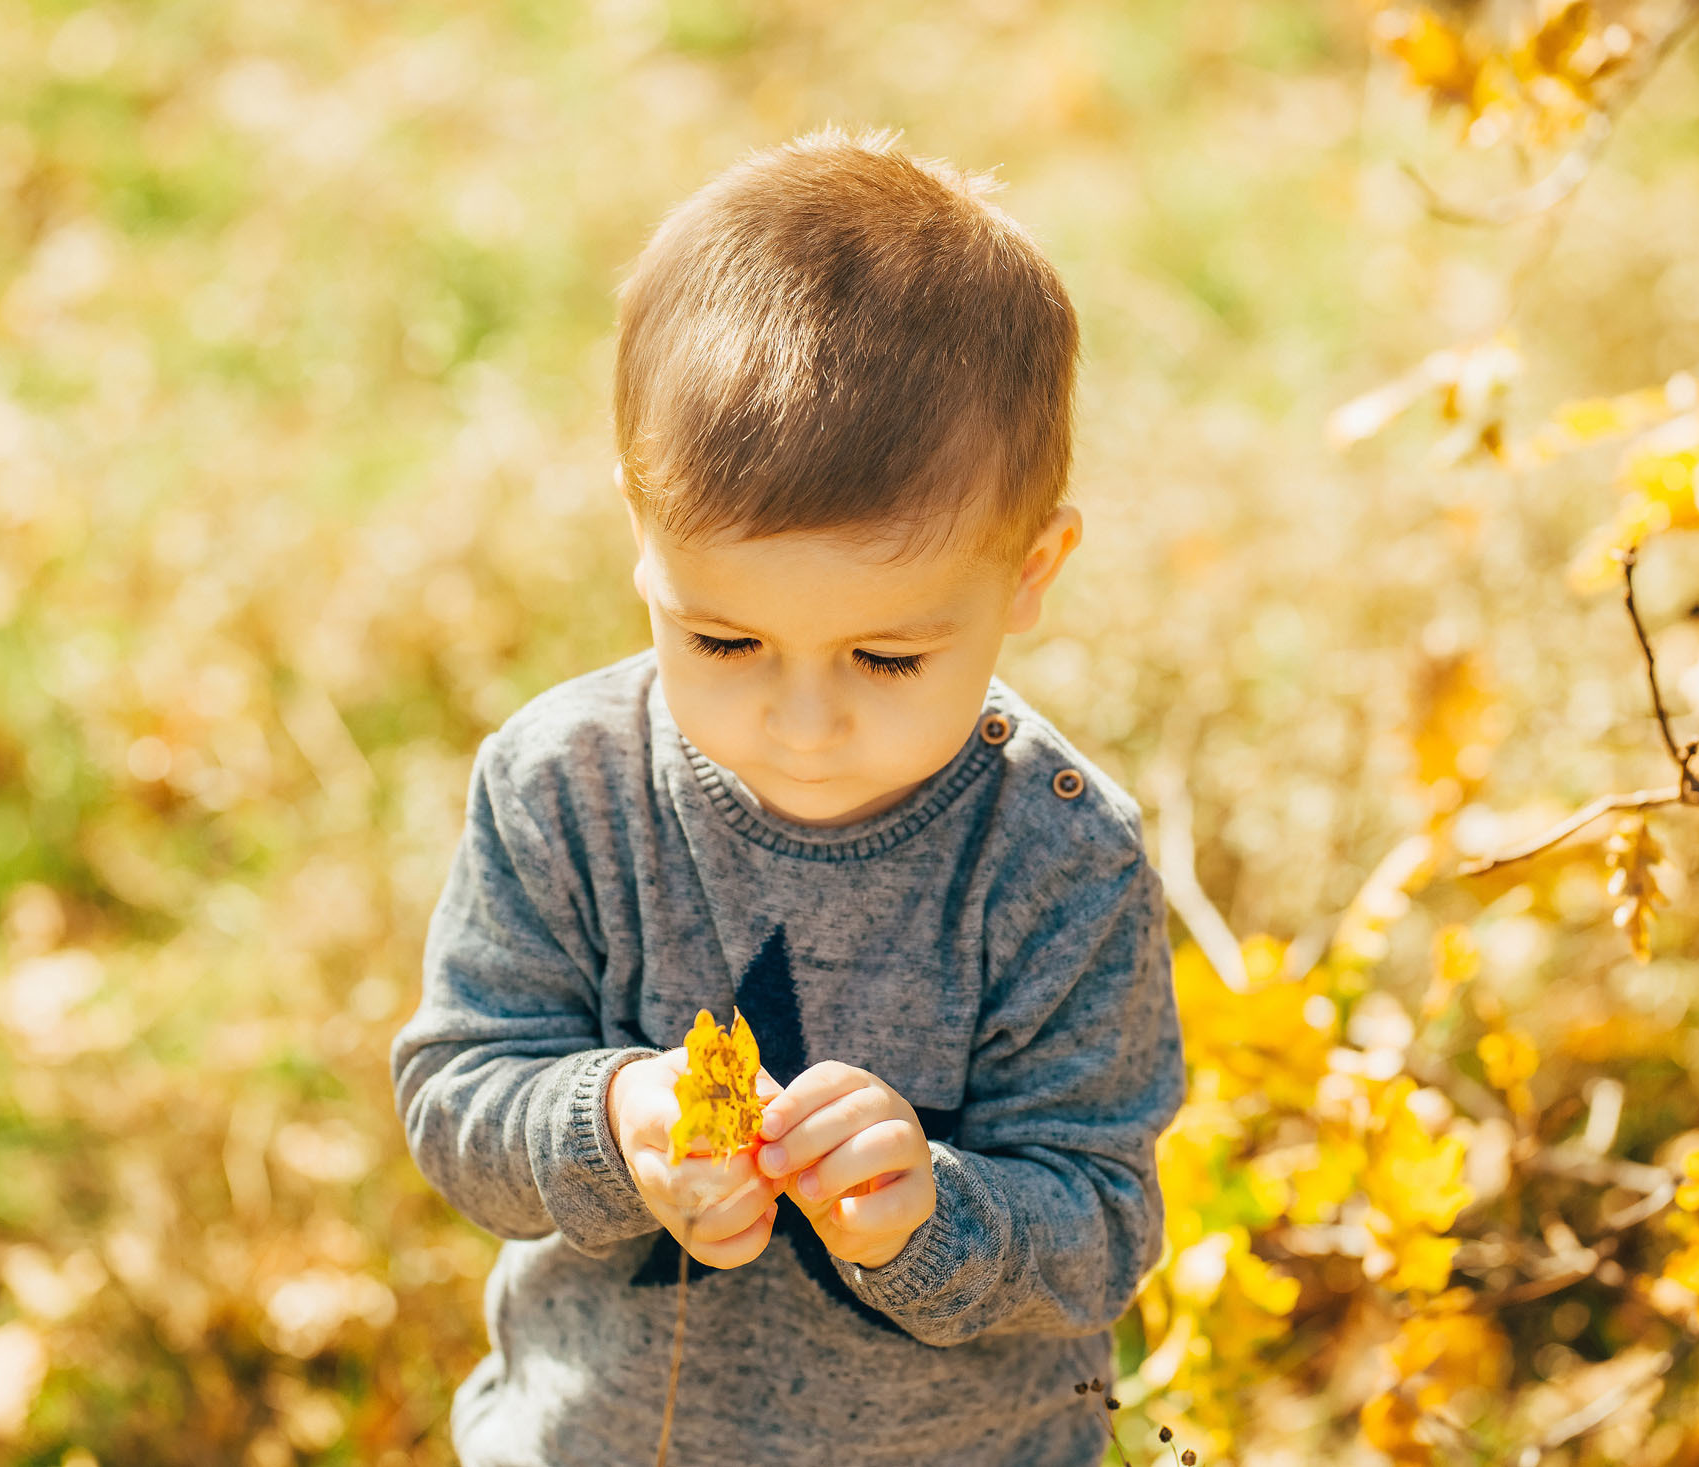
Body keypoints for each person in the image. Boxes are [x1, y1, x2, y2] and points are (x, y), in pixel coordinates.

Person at [390, 124, 1185, 1467]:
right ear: (641, 543)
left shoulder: (1056, 857)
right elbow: (458, 1095)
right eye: (722, 641)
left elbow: (1101, 1226)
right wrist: (612, 1125)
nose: (802, 724)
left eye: (887, 656)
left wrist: (933, 1215)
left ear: (1032, 572)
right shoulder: (565, 791)